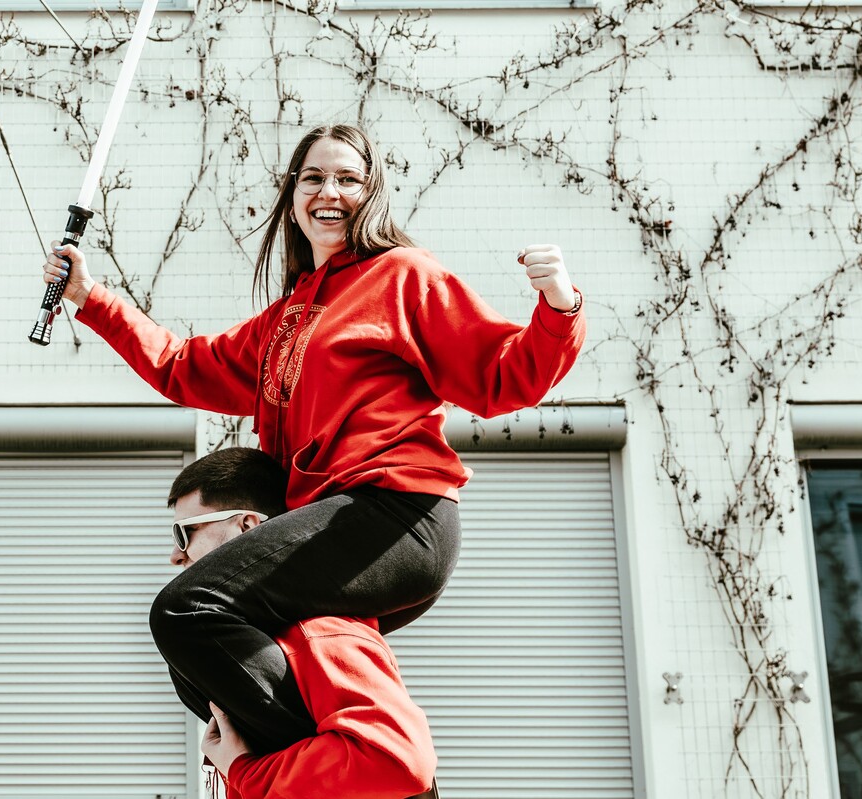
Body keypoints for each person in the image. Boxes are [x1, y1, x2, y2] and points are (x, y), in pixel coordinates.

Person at [41, 122, 586, 752]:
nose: (330, 191)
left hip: (396, 511)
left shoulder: (402, 276)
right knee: (199, 673)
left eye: (348, 179)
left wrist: (558, 304)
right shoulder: (287, 316)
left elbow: (503, 377)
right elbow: (182, 366)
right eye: (314, 178)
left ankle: (368, 767)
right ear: (293, 198)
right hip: (330, 518)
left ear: (371, 194)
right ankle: (320, 766)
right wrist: (89, 296)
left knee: (188, 607)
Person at [170, 447, 439, 799]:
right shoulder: (253, 638)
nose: (175, 555)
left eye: (185, 533)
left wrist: (244, 770)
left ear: (247, 527)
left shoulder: (318, 630)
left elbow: (396, 760)